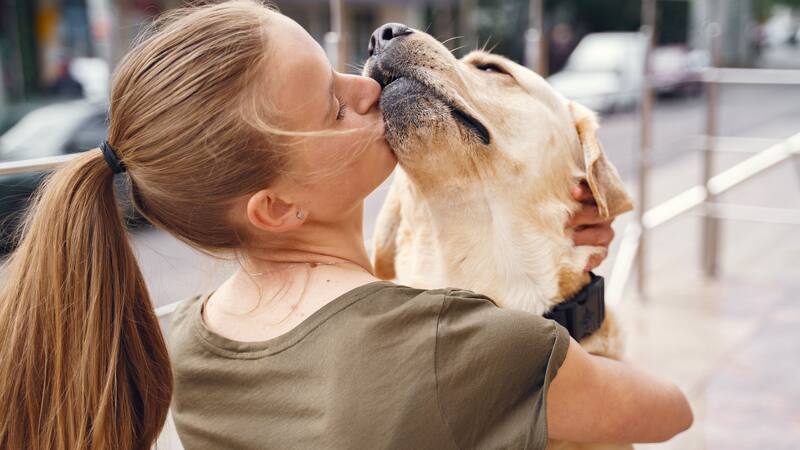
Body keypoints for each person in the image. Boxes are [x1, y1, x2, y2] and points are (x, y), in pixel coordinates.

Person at [0, 1, 693, 449]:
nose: (369, 83)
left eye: (339, 70)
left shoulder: (176, 340)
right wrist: (575, 299)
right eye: (334, 105)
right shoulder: (460, 346)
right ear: (276, 208)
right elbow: (670, 412)